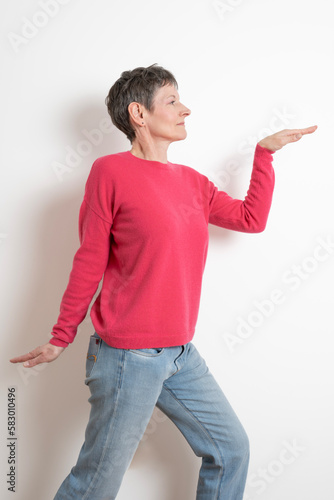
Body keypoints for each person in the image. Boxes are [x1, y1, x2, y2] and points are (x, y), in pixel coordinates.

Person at [10, 64, 317, 500]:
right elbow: (89, 259)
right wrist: (62, 335)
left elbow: (251, 219)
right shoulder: (110, 172)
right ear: (139, 112)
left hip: (179, 354)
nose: (185, 109)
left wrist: (263, 155)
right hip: (126, 357)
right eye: (172, 101)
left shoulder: (193, 183)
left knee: (231, 450)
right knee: (95, 484)